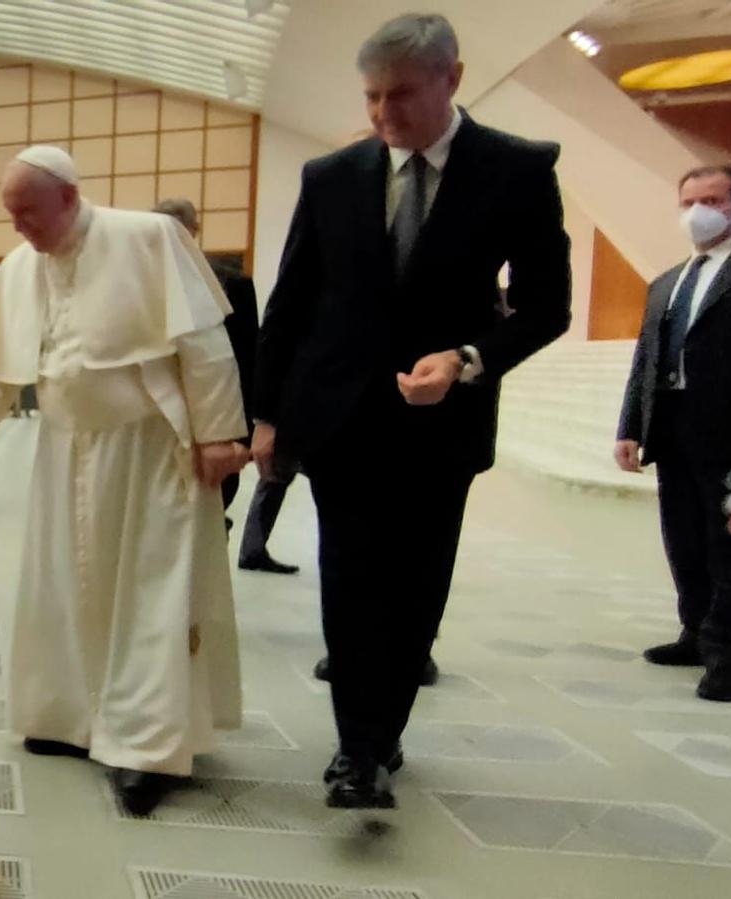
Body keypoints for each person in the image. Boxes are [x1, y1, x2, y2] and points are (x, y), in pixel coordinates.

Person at [254, 14, 572, 809]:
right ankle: (358, 748)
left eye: (401, 94)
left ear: (451, 79)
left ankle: (384, 727)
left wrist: (469, 359)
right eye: (371, 96)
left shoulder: (517, 169)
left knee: (415, 587)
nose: (384, 114)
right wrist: (265, 418)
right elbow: (289, 306)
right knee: (349, 579)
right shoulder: (331, 175)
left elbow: (547, 306)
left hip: (442, 422)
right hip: (340, 420)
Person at [0, 145, 247, 815]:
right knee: (61, 587)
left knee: (147, 597)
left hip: (149, 451)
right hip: (62, 448)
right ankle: (70, 717)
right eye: (11, 215)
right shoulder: (22, 264)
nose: (19, 229)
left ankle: (144, 747)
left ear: (70, 198)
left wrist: (220, 433)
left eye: (29, 213)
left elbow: (204, 345)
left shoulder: (149, 237)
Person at [615, 165, 731, 702]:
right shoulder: (667, 281)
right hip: (674, 427)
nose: (698, 211)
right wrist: (630, 428)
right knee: (684, 540)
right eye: (688, 201)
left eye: (712, 199)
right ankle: (696, 632)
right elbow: (645, 359)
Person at [153, 198, 298, 574]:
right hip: (159, 418)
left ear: (194, 231)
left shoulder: (231, 280)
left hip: (218, 412)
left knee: (213, 501)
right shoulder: (141, 283)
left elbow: (249, 355)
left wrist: (249, 426)